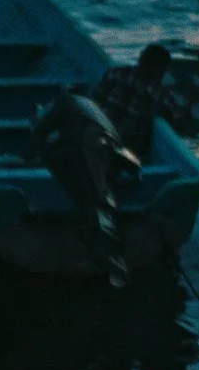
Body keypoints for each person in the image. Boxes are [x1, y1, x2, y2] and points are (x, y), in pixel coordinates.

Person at [29, 89, 134, 282]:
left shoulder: (64, 103)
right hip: (104, 147)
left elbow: (39, 133)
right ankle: (106, 245)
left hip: (90, 147)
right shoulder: (86, 109)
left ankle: (104, 246)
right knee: (98, 191)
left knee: (92, 189)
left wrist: (36, 151)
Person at [91, 42, 196, 160]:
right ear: (159, 69)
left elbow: (96, 99)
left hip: (99, 134)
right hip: (125, 146)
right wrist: (189, 101)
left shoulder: (116, 72)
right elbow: (181, 122)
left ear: (141, 59)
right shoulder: (158, 92)